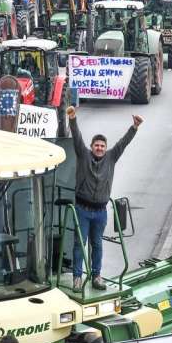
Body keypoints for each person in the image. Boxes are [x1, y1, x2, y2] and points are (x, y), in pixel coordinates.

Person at [66, 105, 141, 291]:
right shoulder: (83, 156)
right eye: (96, 145)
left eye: (102, 146)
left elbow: (123, 143)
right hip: (82, 210)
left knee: (97, 245)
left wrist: (134, 127)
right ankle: (77, 277)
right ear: (91, 147)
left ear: (105, 148)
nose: (99, 148)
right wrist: (72, 118)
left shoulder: (111, 158)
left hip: (100, 212)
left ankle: (96, 276)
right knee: (79, 244)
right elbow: (76, 137)